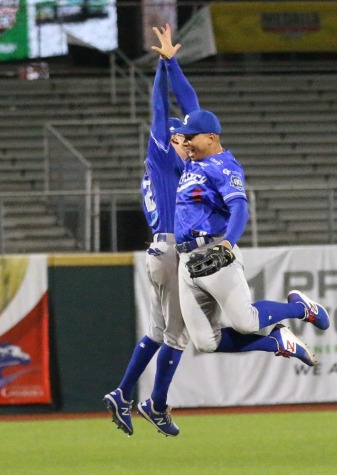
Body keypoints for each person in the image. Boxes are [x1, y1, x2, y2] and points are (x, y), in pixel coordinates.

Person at [170, 109, 331, 370]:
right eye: (184, 137)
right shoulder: (191, 162)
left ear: (211, 137)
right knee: (205, 342)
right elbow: (188, 104)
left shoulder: (224, 166)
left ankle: (300, 308)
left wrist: (227, 244)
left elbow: (240, 208)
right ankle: (277, 341)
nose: (186, 142)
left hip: (214, 249)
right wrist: (169, 66)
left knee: (246, 322)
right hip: (185, 258)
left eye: (192, 137)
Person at [103, 24, 198, 438]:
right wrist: (163, 67)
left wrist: (171, 63)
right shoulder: (162, 155)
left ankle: (123, 392)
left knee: (160, 331)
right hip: (172, 249)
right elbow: (160, 109)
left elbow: (191, 107)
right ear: (171, 137)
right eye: (182, 137)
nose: (187, 142)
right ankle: (155, 404)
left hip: (160, 250)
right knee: (177, 334)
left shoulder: (170, 163)